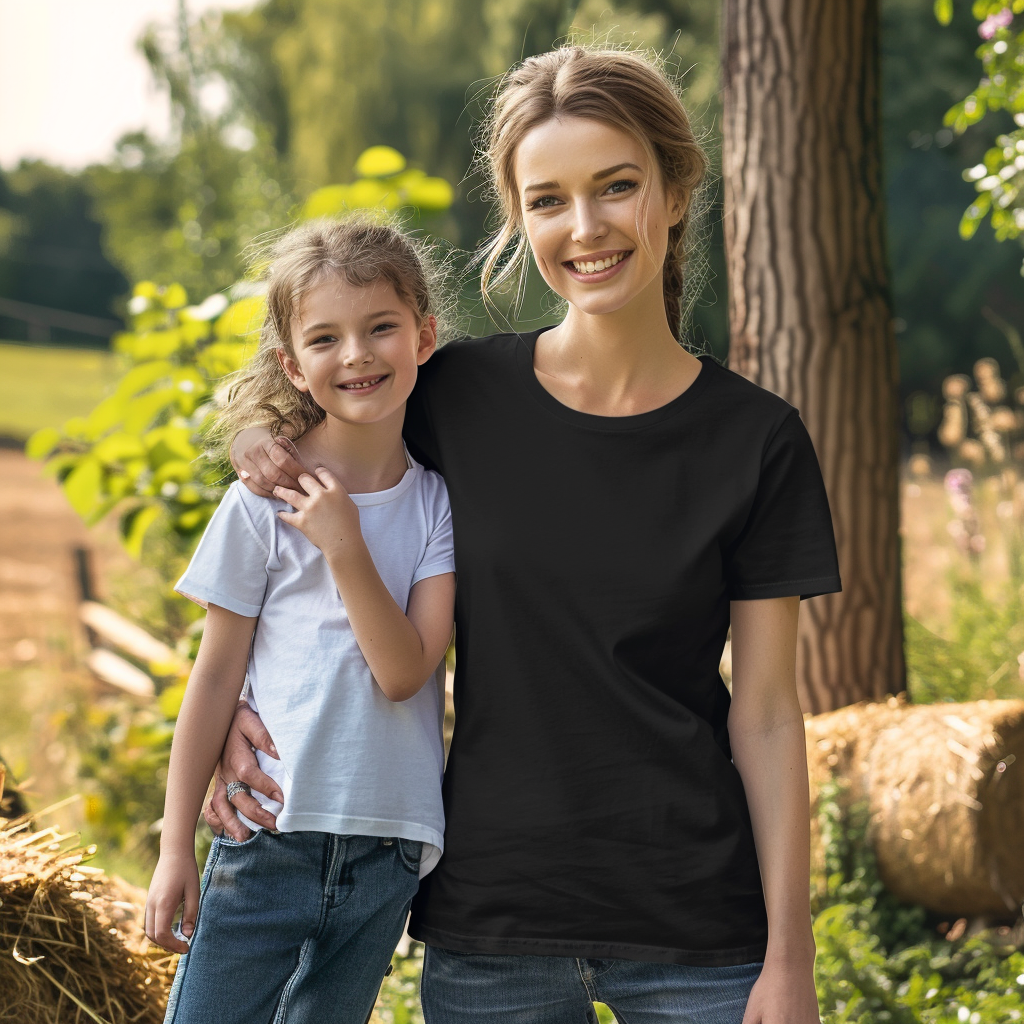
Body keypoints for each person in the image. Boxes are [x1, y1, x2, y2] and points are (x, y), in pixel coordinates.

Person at [219, 46, 841, 1024]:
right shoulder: (458, 395)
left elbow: (764, 713)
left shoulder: (755, 440)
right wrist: (233, 713)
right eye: (547, 199)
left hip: (701, 936)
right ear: (518, 216)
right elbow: (302, 484)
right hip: (490, 931)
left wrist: (789, 954)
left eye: (617, 186)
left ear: (676, 192)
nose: (584, 227)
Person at [144, 215, 457, 1024]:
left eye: (380, 327)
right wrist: (175, 843)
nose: (356, 354)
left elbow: (404, 672)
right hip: (269, 835)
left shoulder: (436, 504)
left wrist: (345, 545)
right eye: (326, 338)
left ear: (423, 337)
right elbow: (214, 675)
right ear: (292, 363)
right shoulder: (257, 504)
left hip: (389, 846)